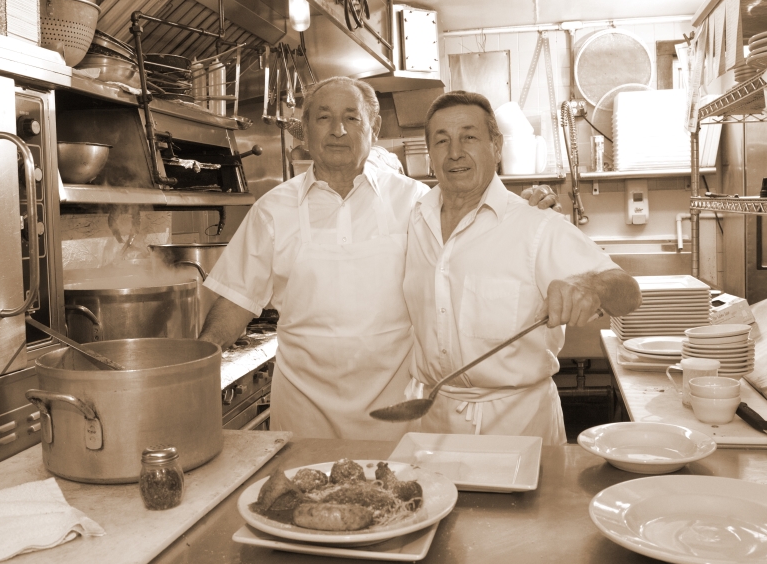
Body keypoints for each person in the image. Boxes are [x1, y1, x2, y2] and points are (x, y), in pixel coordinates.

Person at [198, 76, 558, 440]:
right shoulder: (272, 210)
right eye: (323, 118)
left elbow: (480, 231)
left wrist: (526, 209)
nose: (338, 130)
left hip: (397, 414)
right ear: (305, 131)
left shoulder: (416, 200)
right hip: (303, 414)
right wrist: (197, 367)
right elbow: (235, 301)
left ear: (375, 127)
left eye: (352, 117)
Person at [402, 90, 641, 445]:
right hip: (434, 423)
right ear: (430, 154)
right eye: (442, 140)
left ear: (496, 146)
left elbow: (628, 293)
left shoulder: (535, 223)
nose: (454, 152)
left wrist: (592, 286)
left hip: (518, 426)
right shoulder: (412, 220)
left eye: (469, 137)